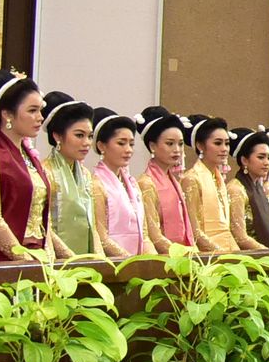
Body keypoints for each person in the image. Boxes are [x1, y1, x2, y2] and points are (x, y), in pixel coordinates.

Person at [0, 70, 54, 262]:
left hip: (36, 255)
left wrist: (52, 260)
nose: (40, 117)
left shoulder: (31, 160)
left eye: (40, 110)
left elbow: (43, 222)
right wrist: (24, 260)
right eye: (32, 110)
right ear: (7, 114)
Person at [40, 92, 98, 260]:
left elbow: (92, 225)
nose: (87, 143)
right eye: (79, 135)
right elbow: (44, 226)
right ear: (57, 136)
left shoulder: (85, 174)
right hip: (57, 261)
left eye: (90, 136)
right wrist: (71, 260)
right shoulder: (44, 172)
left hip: (85, 263)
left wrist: (100, 260)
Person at [88, 110, 146, 257]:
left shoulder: (132, 184)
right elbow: (101, 237)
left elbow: (144, 233)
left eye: (131, 144)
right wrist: (130, 261)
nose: (128, 150)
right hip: (113, 263)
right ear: (101, 146)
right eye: (121, 143)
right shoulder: (96, 184)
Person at [136, 109, 194, 255]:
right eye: (170, 143)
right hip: (163, 259)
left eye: (180, 144)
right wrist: (184, 255)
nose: (177, 150)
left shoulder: (174, 180)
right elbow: (154, 235)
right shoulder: (146, 183)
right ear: (152, 146)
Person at [180, 116, 239, 254]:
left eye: (227, 144)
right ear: (200, 146)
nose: (224, 149)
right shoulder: (192, 179)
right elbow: (195, 231)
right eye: (218, 143)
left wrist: (237, 255)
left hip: (226, 253)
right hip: (207, 258)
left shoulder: (218, 179)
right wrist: (223, 256)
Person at [230, 128, 269, 252]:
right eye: (261, 157)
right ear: (244, 160)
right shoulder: (236, 189)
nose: (267, 163)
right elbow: (240, 237)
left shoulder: (260, 188)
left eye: (268, 158)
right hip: (249, 259)